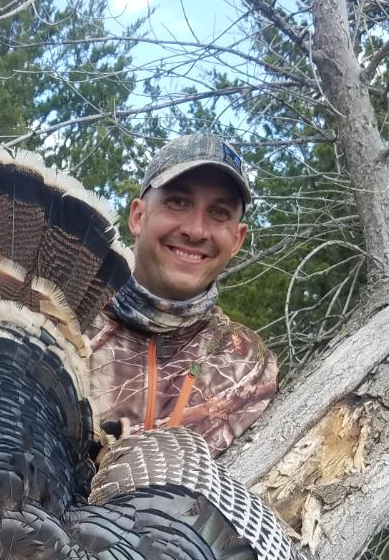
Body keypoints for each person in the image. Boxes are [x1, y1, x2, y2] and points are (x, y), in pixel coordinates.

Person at [87, 132, 278, 457]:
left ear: (237, 240)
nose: (196, 230)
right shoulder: (62, 322)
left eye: (219, 212)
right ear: (138, 216)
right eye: (178, 202)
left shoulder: (247, 365)